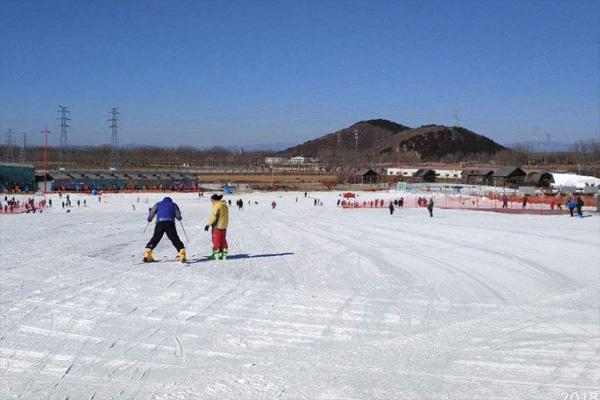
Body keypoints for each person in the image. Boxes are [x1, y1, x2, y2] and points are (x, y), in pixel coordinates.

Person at [143, 197, 186, 263]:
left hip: (160, 223)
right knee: (174, 238)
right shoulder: (173, 204)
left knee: (155, 238)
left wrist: (149, 219)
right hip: (170, 223)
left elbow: (152, 212)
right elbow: (178, 215)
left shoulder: (159, 204)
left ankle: (147, 253)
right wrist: (179, 218)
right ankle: (181, 252)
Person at [205, 194, 229, 260]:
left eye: (212, 200)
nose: (211, 202)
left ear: (215, 200)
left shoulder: (217, 206)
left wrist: (208, 225)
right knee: (223, 240)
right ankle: (224, 254)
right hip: (224, 226)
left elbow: (214, 217)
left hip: (217, 226)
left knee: (216, 240)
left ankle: (216, 255)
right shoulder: (225, 206)